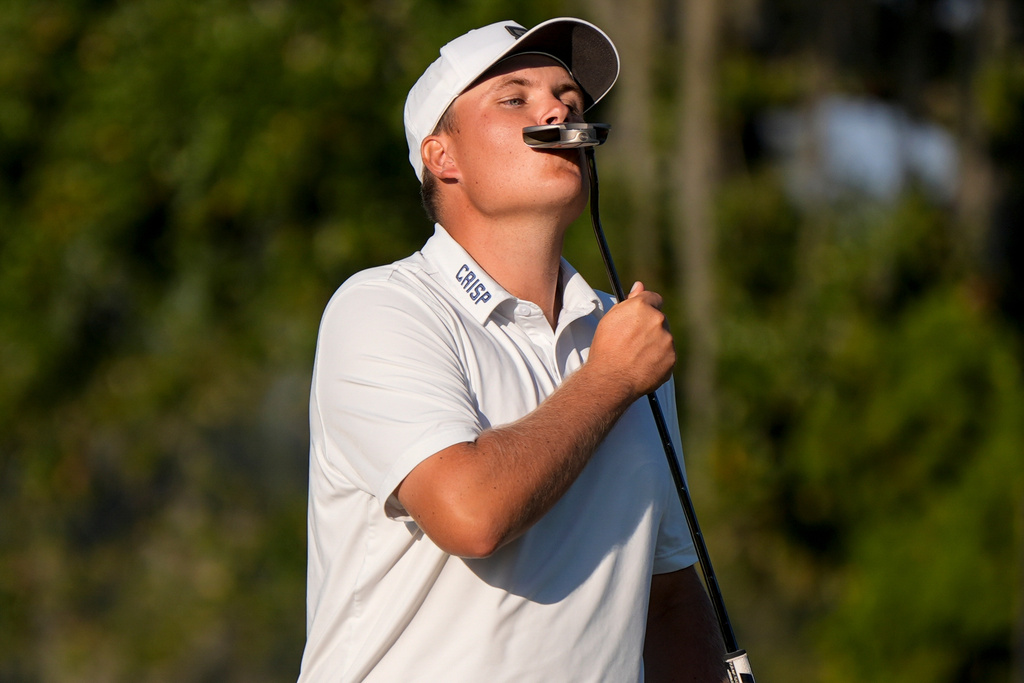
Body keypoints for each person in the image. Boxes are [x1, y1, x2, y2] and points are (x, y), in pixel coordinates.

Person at [298, 17, 727, 682]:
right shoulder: (382, 307)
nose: (558, 108)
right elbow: (470, 513)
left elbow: (667, 595)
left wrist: (617, 366)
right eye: (515, 97)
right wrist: (611, 377)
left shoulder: (623, 336)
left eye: (570, 99)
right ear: (443, 157)